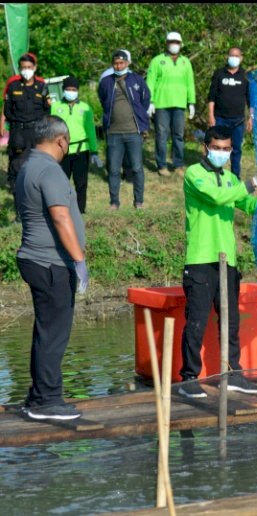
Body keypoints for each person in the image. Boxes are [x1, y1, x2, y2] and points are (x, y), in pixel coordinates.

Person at [177, 126, 257, 398]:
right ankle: (188, 377)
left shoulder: (231, 178)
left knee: (230, 321)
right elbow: (217, 198)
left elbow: (249, 205)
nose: (221, 153)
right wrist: (252, 183)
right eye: (216, 148)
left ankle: (232, 374)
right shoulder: (194, 174)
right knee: (196, 322)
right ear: (206, 147)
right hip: (200, 260)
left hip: (226, 260)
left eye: (226, 148)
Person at [15, 115, 89, 421]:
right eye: (67, 142)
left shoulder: (28, 166)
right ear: (61, 140)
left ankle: (38, 396)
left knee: (45, 330)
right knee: (54, 333)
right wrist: (79, 261)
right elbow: (61, 217)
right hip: (50, 262)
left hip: (36, 259)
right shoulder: (49, 170)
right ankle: (47, 400)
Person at [98, 49, 151, 210]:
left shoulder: (137, 79)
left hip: (133, 131)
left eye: (121, 63)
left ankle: (139, 201)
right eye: (116, 63)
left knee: (136, 167)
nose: (119, 65)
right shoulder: (106, 82)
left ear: (127, 63)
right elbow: (103, 99)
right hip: (113, 132)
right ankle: (114, 202)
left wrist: (141, 119)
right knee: (113, 169)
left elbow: (145, 99)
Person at [146, 31, 196, 177]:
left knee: (178, 135)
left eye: (177, 42)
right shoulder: (157, 61)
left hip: (180, 104)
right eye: (171, 41)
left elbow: (190, 83)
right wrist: (150, 101)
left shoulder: (185, 62)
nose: (174, 44)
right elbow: (150, 81)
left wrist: (191, 102)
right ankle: (161, 165)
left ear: (181, 44)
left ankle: (178, 164)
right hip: (161, 103)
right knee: (162, 135)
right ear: (166, 43)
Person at [50, 76, 101, 213]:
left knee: (81, 183)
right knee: (61, 183)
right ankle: (63, 210)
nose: (70, 92)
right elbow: (51, 128)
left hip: (81, 150)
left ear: (77, 91)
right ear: (63, 90)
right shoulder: (55, 106)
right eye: (68, 89)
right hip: (61, 151)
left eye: (73, 89)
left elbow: (91, 131)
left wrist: (94, 150)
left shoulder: (85, 108)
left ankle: (80, 210)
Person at [3, 53, 50, 196]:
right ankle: (17, 194)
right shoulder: (13, 86)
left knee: (36, 163)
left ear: (35, 67)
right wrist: (17, 122)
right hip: (18, 131)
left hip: (36, 132)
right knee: (17, 164)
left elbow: (47, 110)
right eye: (23, 67)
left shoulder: (42, 87)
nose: (26, 70)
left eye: (29, 67)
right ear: (19, 68)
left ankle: (35, 192)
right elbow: (7, 110)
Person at [207, 47, 253, 178]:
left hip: (238, 120)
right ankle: (214, 174)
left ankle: (235, 177)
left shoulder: (245, 75)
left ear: (241, 58)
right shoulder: (219, 73)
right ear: (227, 57)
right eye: (232, 55)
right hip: (220, 118)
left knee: (236, 149)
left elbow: (250, 100)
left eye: (237, 56)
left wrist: (251, 117)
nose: (234, 58)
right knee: (216, 148)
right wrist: (210, 115)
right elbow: (211, 96)